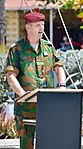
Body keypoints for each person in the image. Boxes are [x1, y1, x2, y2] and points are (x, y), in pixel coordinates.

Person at [5, 12, 66, 149]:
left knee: (49, 144)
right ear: (28, 27)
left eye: (43, 25)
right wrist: (23, 96)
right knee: (27, 145)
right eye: (38, 25)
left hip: (48, 106)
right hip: (26, 109)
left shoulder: (48, 47)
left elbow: (59, 67)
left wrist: (62, 86)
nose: (41, 28)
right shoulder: (17, 49)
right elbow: (11, 76)